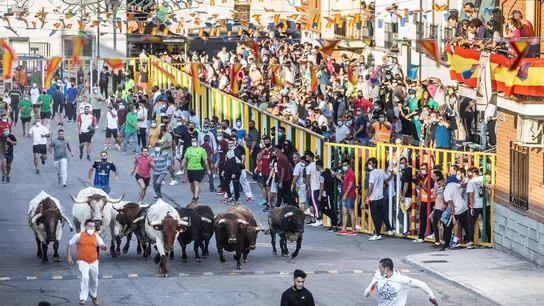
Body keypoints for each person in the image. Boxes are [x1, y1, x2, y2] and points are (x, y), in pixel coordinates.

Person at [67, 219, 108, 306]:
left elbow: (101, 245)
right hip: (82, 261)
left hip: (93, 261)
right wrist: (69, 256)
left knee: (94, 280)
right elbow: (70, 244)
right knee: (85, 278)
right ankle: (82, 298)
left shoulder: (96, 236)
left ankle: (94, 295)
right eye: (89, 226)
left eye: (93, 226)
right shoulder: (79, 236)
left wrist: (104, 247)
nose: (91, 228)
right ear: (85, 226)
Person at [364, 258, 438, 306]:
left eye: (380, 267)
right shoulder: (377, 276)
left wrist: (431, 297)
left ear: (386, 269)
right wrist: (372, 288)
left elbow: (421, 284)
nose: (378, 269)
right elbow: (366, 295)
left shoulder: (401, 280)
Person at [365, 157, 391, 241]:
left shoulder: (372, 173)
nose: (369, 165)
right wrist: (392, 174)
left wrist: (367, 198)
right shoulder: (381, 171)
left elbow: (371, 186)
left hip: (373, 198)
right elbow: (388, 179)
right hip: (380, 197)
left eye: (370, 163)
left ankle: (377, 234)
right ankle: (388, 229)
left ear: (374, 164)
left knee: (375, 217)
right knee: (383, 214)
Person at [182, 135, 211, 202]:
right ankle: (195, 194)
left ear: (197, 141)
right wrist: (183, 163)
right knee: (192, 184)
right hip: (190, 169)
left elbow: (205, 160)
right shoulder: (189, 149)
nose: (194, 142)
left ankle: (195, 198)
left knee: (196, 182)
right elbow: (185, 158)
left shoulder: (201, 150)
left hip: (199, 169)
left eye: (195, 141)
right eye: (192, 141)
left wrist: (208, 169)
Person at [336, 159, 357, 236]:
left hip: (350, 195)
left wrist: (345, 194)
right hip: (346, 195)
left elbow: (350, 185)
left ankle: (353, 229)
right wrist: (340, 179)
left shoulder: (351, 173)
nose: (344, 167)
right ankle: (344, 228)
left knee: (351, 211)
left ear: (349, 165)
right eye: (343, 165)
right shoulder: (346, 173)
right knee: (344, 211)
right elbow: (346, 183)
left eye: (345, 165)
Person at [220, 137, 243, 205]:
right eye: (229, 143)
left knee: (236, 186)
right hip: (228, 171)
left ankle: (236, 199)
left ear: (234, 144)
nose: (230, 145)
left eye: (231, 143)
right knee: (226, 184)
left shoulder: (237, 152)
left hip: (235, 172)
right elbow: (226, 162)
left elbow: (239, 164)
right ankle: (230, 196)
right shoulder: (227, 151)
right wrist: (224, 170)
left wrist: (234, 173)